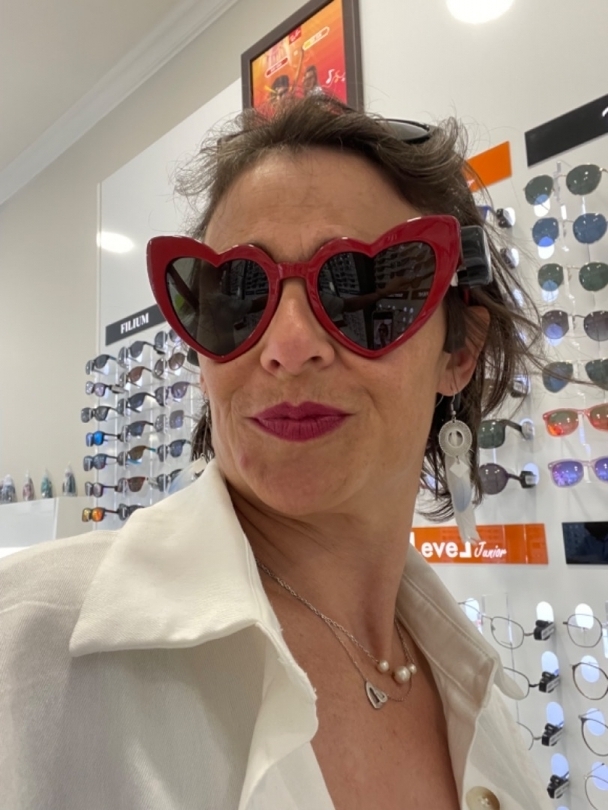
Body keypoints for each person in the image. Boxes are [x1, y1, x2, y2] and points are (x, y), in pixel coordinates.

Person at [0, 95, 551, 810]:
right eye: (237, 296)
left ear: (459, 352)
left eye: (364, 291)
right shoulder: (28, 646)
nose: (286, 347)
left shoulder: (478, 694)